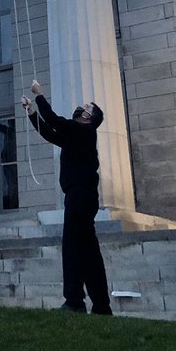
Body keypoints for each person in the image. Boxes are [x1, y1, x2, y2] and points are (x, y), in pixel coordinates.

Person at [22, 80, 113, 315]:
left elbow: (54, 121)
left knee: (73, 247)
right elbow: (51, 134)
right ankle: (101, 305)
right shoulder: (78, 136)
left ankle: (74, 301)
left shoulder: (84, 130)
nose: (80, 107)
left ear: (88, 116)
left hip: (79, 196)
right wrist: (31, 113)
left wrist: (39, 95)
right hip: (83, 196)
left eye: (85, 106)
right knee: (89, 251)